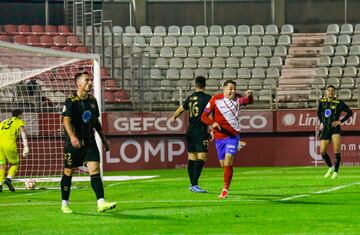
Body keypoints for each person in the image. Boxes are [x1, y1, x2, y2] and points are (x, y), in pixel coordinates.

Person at [60, 71, 116, 213]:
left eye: (90, 80)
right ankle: (64, 203)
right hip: (73, 144)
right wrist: (72, 137)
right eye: (87, 80)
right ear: (78, 84)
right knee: (68, 172)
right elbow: (66, 121)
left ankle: (101, 202)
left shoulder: (92, 101)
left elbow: (96, 122)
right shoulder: (71, 101)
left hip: (90, 143)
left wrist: (104, 140)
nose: (90, 83)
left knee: (95, 170)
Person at [201, 80, 254, 199]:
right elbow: (203, 116)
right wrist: (212, 123)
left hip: (233, 136)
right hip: (219, 137)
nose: (233, 91)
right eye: (230, 89)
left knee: (228, 161)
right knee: (223, 165)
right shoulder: (215, 99)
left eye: (234, 89)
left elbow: (247, 101)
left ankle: (225, 189)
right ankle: (237, 146)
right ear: (224, 89)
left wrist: (250, 96)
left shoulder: (237, 99)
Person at [171, 76, 212, 193]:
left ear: (195, 85)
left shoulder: (190, 98)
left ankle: (192, 184)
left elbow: (180, 109)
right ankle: (194, 184)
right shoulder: (207, 98)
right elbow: (211, 114)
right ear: (205, 85)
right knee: (202, 157)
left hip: (190, 131)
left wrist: (174, 117)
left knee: (192, 158)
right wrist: (212, 129)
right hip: (200, 131)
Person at [317, 84, 353, 179]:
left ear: (334, 92)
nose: (330, 92)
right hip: (325, 129)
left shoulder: (339, 102)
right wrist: (321, 122)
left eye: (332, 90)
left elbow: (350, 112)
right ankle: (331, 167)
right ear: (326, 92)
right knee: (322, 151)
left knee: (336, 151)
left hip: (335, 129)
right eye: (329, 90)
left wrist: (340, 121)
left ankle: (336, 172)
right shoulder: (322, 102)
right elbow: (318, 112)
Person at [0, 109, 29, 192]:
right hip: (9, 144)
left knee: (1, 166)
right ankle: (8, 179)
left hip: (0, 144)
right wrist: (25, 146)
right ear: (20, 115)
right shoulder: (18, 121)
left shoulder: (4, 121)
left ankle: (0, 185)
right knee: (15, 163)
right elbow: (23, 132)